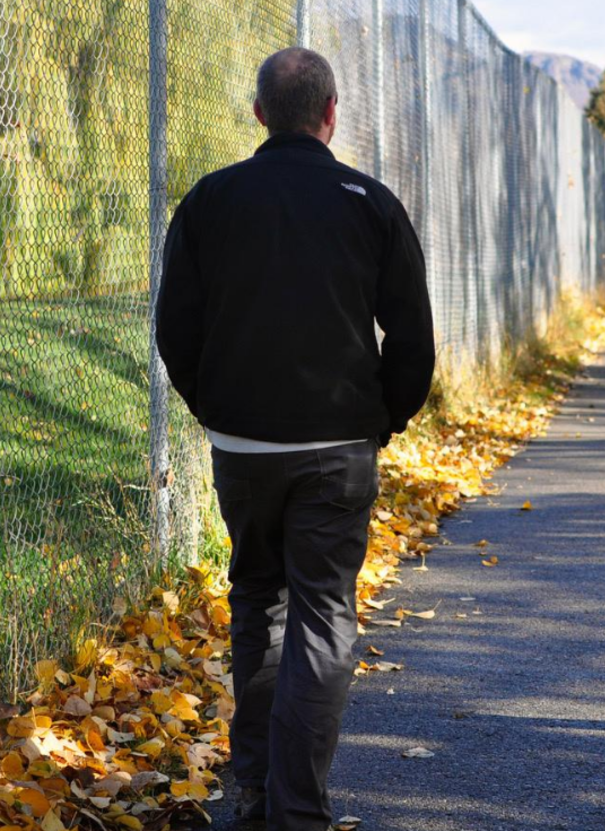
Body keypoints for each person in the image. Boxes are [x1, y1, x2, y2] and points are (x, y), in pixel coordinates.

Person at [156, 47, 435, 829]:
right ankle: (298, 812)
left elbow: (175, 327)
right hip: (337, 447)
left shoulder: (211, 201)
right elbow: (413, 339)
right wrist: (384, 418)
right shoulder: (368, 202)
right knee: (322, 614)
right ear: (331, 113)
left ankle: (254, 795)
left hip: (243, 449)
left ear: (258, 115)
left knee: (258, 604)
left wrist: (216, 408)